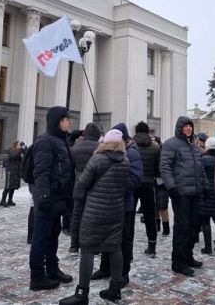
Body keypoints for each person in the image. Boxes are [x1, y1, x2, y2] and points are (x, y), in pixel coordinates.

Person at [59, 129, 131, 305]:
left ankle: (82, 293)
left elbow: (83, 182)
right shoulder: (125, 160)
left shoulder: (98, 159)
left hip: (95, 212)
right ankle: (115, 289)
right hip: (115, 212)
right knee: (114, 248)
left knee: (88, 249)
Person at [28, 106, 74, 291]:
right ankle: (37, 277)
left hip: (58, 199)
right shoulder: (45, 142)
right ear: (58, 121)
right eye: (66, 119)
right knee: (40, 238)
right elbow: (41, 172)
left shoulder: (61, 141)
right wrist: (44, 197)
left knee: (53, 236)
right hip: (47, 200)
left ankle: (52, 269)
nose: (69, 122)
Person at [92, 122, 143, 286]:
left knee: (124, 240)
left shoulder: (132, 153)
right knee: (107, 237)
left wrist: (115, 186)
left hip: (125, 204)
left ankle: (123, 273)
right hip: (109, 204)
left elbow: (135, 180)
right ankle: (105, 268)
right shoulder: (108, 151)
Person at [161, 116, 207, 277]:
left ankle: (188, 255)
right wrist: (171, 187)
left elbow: (199, 168)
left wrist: (205, 186)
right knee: (182, 227)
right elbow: (165, 167)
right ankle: (178, 262)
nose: (188, 129)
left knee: (194, 226)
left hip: (195, 193)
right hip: (181, 193)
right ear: (180, 128)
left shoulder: (194, 147)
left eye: (190, 126)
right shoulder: (171, 144)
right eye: (185, 126)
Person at [70, 122, 102, 252]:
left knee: (77, 214)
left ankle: (74, 244)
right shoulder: (100, 148)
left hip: (78, 185)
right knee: (94, 216)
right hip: (95, 187)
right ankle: (94, 245)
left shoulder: (75, 148)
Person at [133, 121, 161, 257]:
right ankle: (152, 246)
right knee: (150, 216)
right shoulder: (155, 148)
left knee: (128, 215)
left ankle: (127, 244)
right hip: (148, 184)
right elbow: (158, 169)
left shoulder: (131, 146)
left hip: (133, 184)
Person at [0, 141, 22, 207]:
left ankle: (10, 200)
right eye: (18, 144)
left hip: (16, 171)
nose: (19, 146)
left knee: (13, 187)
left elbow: (20, 160)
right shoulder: (11, 150)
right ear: (15, 145)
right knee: (8, 186)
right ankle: (2, 201)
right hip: (10, 171)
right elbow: (14, 157)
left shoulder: (18, 151)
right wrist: (20, 151)